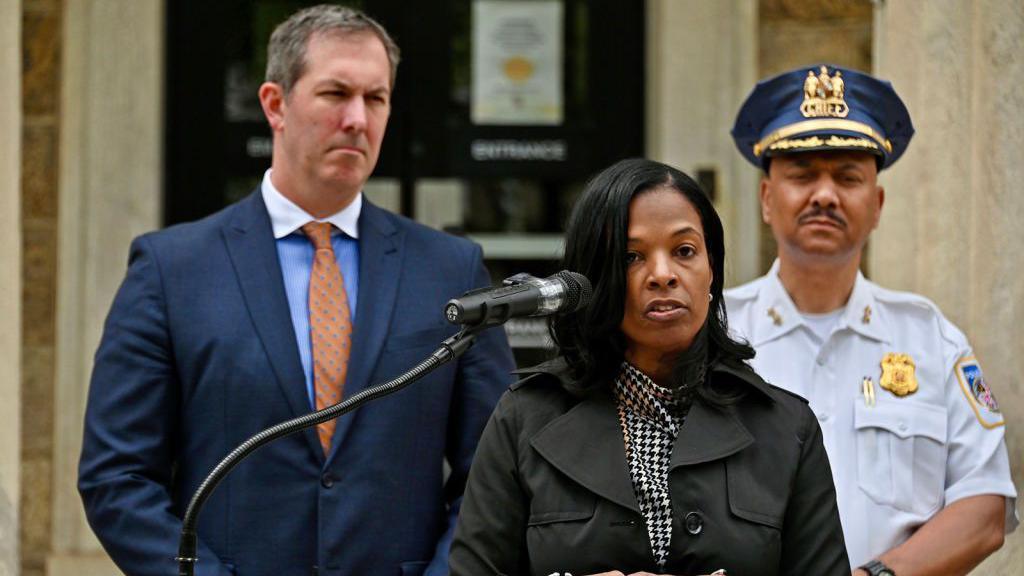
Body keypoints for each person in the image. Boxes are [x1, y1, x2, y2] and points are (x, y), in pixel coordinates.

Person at [78, 5, 514, 576]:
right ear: (275, 104)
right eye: (336, 93)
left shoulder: (450, 269)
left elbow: (495, 468)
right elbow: (117, 475)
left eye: (376, 98)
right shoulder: (172, 269)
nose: (358, 118)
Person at [449, 158, 849, 576]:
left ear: (712, 269)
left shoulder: (787, 429)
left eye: (685, 251)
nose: (662, 274)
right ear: (591, 280)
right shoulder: (524, 419)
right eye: (631, 257)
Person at [726, 64, 1018, 576]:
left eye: (847, 177)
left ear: (877, 205)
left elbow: (984, 507)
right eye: (802, 175)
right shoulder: (718, 334)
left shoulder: (930, 339)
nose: (824, 195)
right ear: (767, 199)